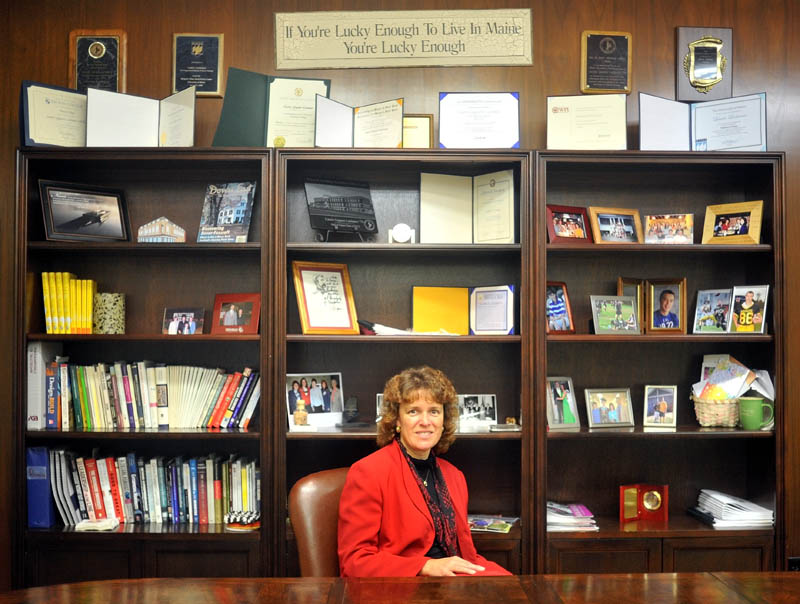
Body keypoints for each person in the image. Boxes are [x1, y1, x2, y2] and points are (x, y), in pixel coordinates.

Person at [338, 366, 510, 577]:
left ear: (443, 420)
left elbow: (467, 555)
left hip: (454, 582)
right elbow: (355, 563)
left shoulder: (454, 476)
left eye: (434, 411)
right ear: (397, 420)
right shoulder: (368, 472)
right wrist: (426, 566)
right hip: (400, 587)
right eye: (413, 411)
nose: (426, 422)